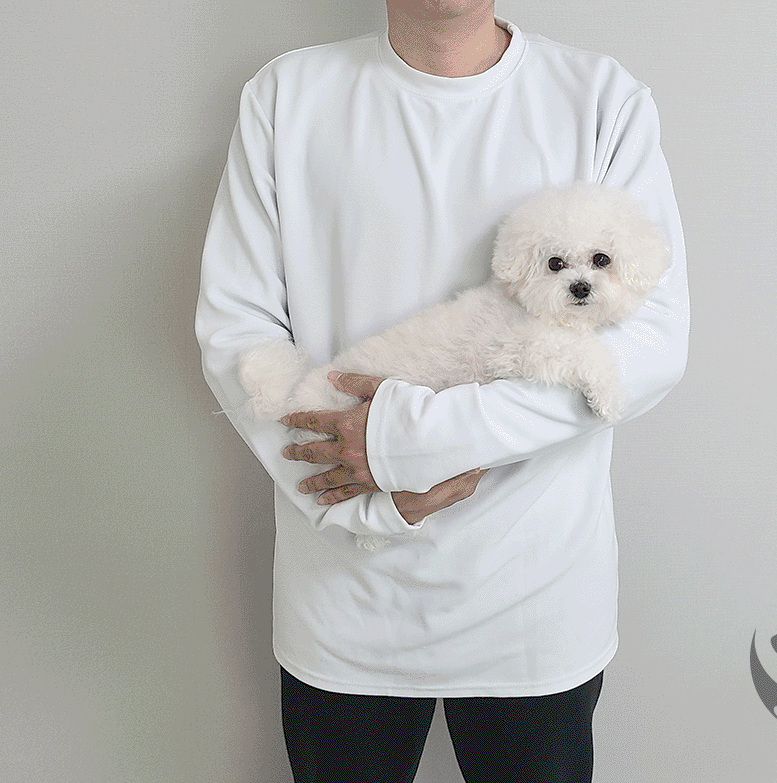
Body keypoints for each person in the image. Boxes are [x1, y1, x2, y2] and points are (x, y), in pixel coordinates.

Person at [195, 1, 689, 780]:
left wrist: (407, 442)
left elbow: (651, 343)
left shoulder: (601, 98)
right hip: (344, 596)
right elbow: (237, 333)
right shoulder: (286, 96)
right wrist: (358, 484)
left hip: (535, 601)